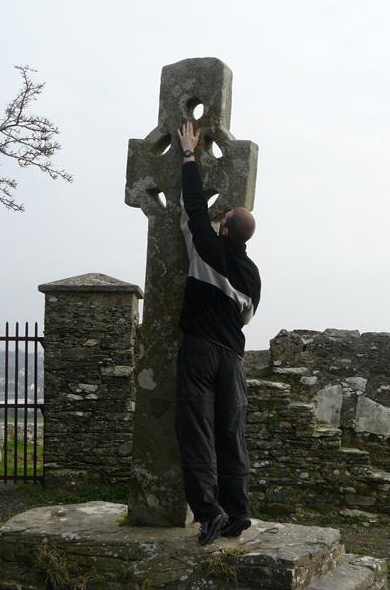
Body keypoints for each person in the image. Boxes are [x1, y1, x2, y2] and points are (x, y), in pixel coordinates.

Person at [175, 119, 261, 546]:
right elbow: (245, 318)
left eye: (222, 218)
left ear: (224, 229)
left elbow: (192, 207)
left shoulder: (208, 249)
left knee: (197, 430)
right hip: (233, 357)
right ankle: (239, 511)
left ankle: (208, 513)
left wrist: (189, 154)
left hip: (200, 351)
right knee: (230, 432)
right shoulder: (253, 275)